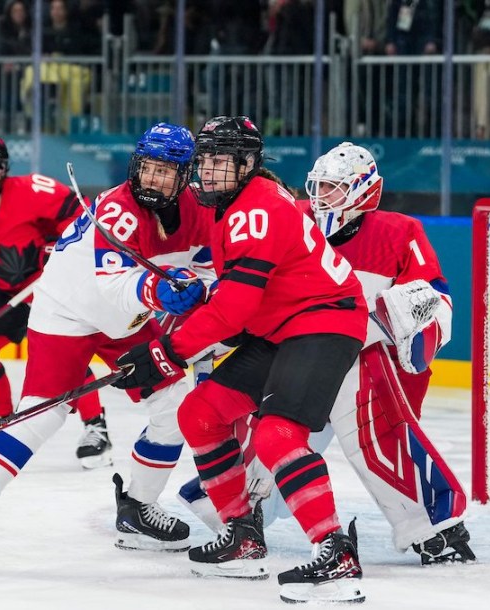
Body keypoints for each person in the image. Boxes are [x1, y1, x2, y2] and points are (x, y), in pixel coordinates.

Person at [0, 122, 215, 570]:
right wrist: (164, 294)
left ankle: (137, 509)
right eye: (148, 168)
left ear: (185, 175)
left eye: (166, 170)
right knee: (43, 414)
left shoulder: (199, 210)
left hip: (126, 319)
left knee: (176, 405)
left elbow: (205, 266)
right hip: (67, 312)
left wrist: (203, 289)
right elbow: (116, 283)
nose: (153, 179)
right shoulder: (119, 208)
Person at [179, 142, 475, 568]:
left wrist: (404, 322)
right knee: (274, 435)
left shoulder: (399, 232)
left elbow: (434, 299)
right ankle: (245, 514)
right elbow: (246, 279)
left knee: (377, 438)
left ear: (364, 192)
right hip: (300, 347)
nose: (321, 198)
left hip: (366, 357)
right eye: (318, 186)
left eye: (334, 188)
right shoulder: (294, 217)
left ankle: (434, 529)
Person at [112, 117, 370, 604]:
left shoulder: (256, 208)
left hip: (324, 322)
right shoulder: (231, 206)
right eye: (204, 162)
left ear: (248, 164)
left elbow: (233, 310)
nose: (208, 173)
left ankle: (336, 554)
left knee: (276, 434)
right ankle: (242, 537)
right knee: (199, 414)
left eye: (220, 163)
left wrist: (165, 353)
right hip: (281, 327)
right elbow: (234, 294)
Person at [0, 134, 109, 464]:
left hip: (54, 289)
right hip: (10, 294)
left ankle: (96, 428)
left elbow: (83, 218)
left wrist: (58, 251)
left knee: (64, 357)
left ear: (2, 171)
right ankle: (5, 423)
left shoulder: (35, 190)